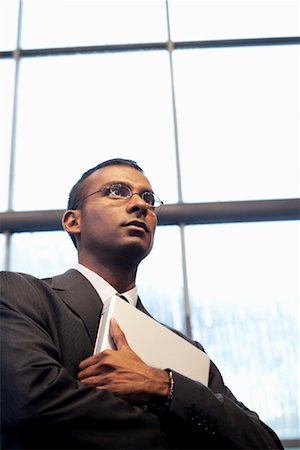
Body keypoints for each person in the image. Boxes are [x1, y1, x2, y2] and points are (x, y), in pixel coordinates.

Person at [0, 158, 283, 449]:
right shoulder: (18, 295)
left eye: (148, 198)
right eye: (116, 191)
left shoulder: (187, 352)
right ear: (74, 221)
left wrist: (164, 386)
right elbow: (30, 403)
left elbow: (264, 444)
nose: (140, 205)